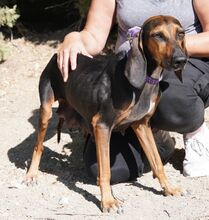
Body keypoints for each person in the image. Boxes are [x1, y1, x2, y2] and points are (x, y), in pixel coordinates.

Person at [57, 0, 209, 182]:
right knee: (107, 169)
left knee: (170, 98)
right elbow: (94, 36)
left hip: (188, 61)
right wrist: (74, 38)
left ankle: (195, 133)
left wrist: (165, 47)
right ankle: (158, 138)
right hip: (131, 70)